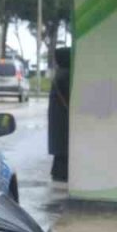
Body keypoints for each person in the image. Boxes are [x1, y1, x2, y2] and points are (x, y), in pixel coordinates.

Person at [48, 45, 71, 181]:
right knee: (64, 148)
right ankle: (61, 174)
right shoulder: (66, 74)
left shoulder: (59, 73)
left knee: (60, 149)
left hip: (58, 118)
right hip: (64, 118)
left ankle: (58, 172)